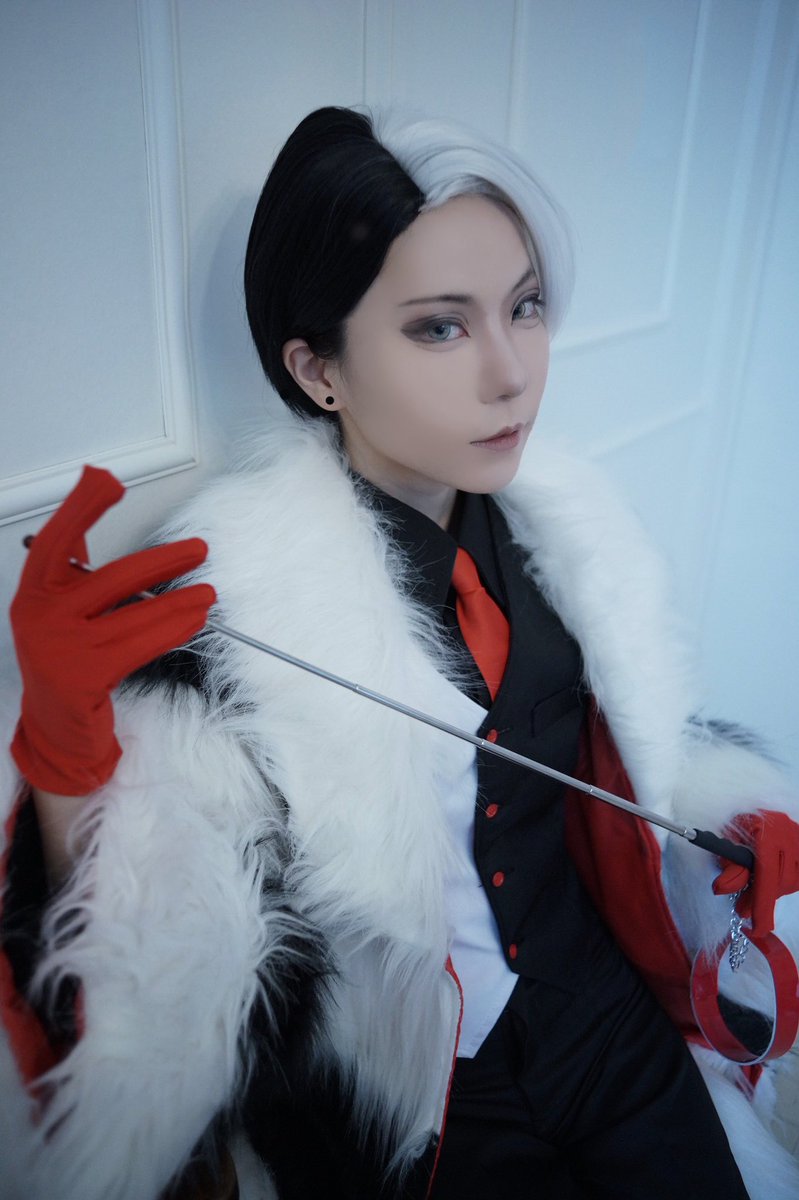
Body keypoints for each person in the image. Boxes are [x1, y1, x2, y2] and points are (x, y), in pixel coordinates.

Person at [1, 105, 799, 1200]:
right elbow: (147, 946)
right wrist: (62, 753)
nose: (511, 374)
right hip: (410, 1091)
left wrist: (715, 825)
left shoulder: (572, 536)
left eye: (525, 307)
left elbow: (616, 758)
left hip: (597, 1015)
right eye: (439, 329)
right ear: (318, 369)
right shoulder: (236, 610)